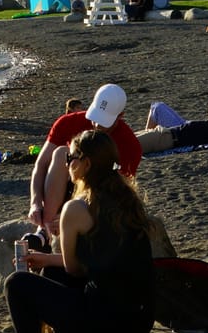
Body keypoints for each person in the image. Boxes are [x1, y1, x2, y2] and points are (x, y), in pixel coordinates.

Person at [0, 129, 156, 333]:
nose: (66, 163)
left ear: (87, 164)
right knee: (52, 271)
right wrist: (45, 260)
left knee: (17, 284)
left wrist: (48, 259)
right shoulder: (127, 199)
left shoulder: (77, 209)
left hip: (110, 328)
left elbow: (74, 270)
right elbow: (98, 263)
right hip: (140, 320)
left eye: (70, 157)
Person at [26, 84, 142, 236]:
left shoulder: (130, 146)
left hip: (100, 197)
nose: (96, 125)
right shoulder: (67, 123)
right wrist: (35, 203)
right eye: (95, 117)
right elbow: (41, 165)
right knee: (61, 153)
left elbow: (121, 190)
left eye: (104, 121)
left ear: (120, 116)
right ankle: (45, 228)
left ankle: (56, 225)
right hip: (65, 188)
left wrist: (79, 213)